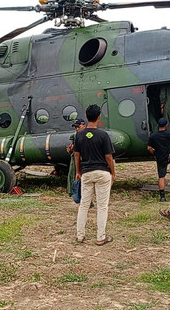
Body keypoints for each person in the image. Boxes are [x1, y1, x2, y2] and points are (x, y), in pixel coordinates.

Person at [74, 104, 115, 246]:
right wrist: (113, 173)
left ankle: (80, 236)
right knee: (102, 206)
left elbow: (77, 155)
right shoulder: (103, 135)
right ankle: (100, 237)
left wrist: (78, 171)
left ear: (86, 117)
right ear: (99, 117)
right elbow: (109, 156)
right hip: (102, 173)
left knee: (84, 205)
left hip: (86, 173)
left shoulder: (79, 135)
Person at [147, 118, 170, 202]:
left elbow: (149, 148)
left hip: (160, 158)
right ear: (166, 125)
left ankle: (162, 197)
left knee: (161, 177)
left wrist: (153, 153)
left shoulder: (153, 136)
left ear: (158, 125)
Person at [67, 118, 86, 196]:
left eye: (78, 126)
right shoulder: (75, 136)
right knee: (73, 176)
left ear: (84, 125)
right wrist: (70, 150)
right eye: (75, 127)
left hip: (84, 161)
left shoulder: (87, 135)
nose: (77, 129)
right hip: (75, 160)